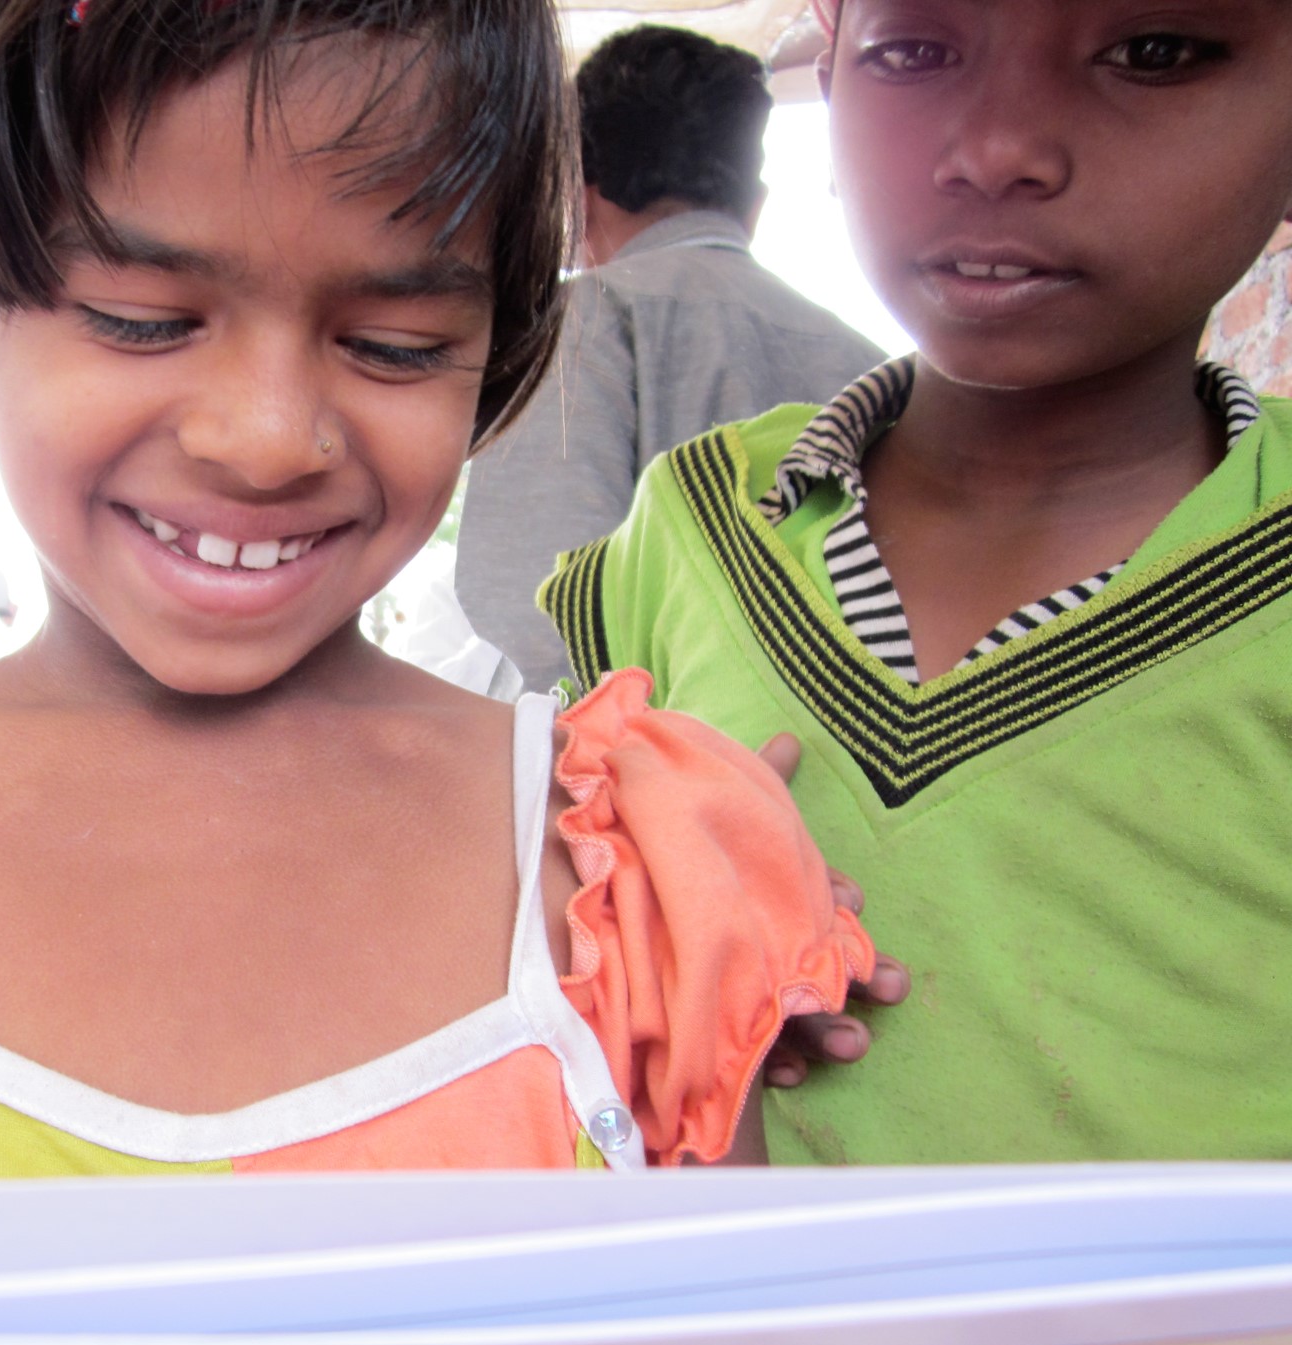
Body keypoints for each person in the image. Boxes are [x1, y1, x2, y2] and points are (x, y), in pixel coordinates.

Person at [0, 0, 889, 1195]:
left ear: (495, 346)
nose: (268, 437)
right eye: (142, 320)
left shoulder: (637, 880)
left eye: (394, 343)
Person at [541, 0, 1292, 1161]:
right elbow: (552, 905)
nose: (996, 149)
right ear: (832, 57)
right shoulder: (687, 524)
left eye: (1152, 54)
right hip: (707, 1285)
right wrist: (650, 945)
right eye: (913, 51)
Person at [456, 24, 886, 693]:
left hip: (632, 749)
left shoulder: (578, 321)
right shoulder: (870, 363)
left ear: (575, 192)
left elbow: (535, 617)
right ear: (754, 205)